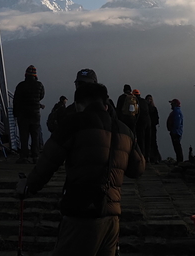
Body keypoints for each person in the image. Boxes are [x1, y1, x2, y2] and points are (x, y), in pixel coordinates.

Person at [17, 82, 145, 256]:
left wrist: (28, 186)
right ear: (105, 103)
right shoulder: (124, 130)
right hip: (112, 219)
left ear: (78, 104)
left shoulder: (73, 124)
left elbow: (48, 162)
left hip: (82, 216)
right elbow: (137, 169)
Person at [13, 65, 45, 163]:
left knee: (24, 136)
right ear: (35, 75)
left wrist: (16, 113)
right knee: (35, 136)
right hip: (35, 114)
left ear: (26, 74)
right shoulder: (39, 85)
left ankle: (24, 156)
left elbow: (16, 100)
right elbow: (41, 96)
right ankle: (35, 156)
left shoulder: (20, 85)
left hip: (23, 115)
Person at [133, 89, 151, 160]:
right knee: (148, 139)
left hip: (140, 122)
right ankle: (148, 156)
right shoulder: (144, 101)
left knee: (141, 139)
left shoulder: (135, 102)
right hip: (148, 122)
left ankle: (142, 156)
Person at [145, 95, 162, 164]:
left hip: (151, 127)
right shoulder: (152, 108)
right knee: (150, 142)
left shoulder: (152, 109)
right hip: (150, 127)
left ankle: (155, 157)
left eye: (150, 99)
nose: (149, 100)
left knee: (153, 142)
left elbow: (156, 118)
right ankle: (153, 157)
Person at [167, 99, 184, 164]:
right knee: (176, 147)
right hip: (175, 132)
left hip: (176, 132)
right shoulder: (176, 111)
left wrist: (174, 130)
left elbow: (177, 123)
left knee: (177, 147)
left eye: (172, 104)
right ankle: (179, 160)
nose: (171, 105)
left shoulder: (176, 112)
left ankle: (180, 160)